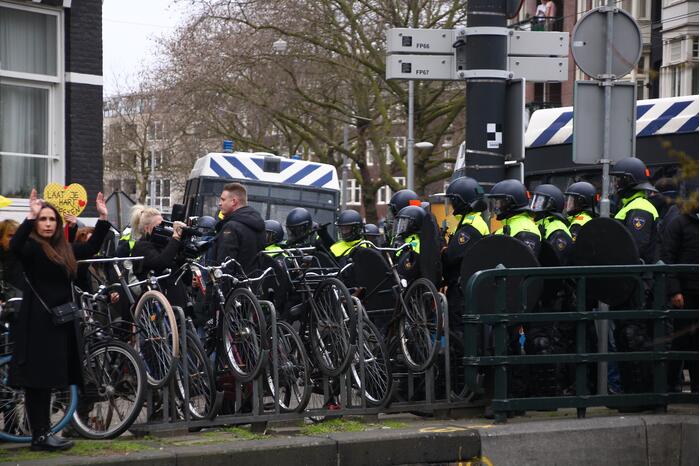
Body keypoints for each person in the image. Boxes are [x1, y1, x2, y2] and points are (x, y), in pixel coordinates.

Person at [9, 189, 110, 451]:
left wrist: (101, 219)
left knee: (50, 380)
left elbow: (90, 247)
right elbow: (15, 246)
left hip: (59, 322)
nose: (47, 223)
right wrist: (29, 217)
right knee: (36, 382)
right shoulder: (32, 248)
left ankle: (43, 432)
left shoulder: (64, 249)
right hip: (35, 322)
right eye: (43, 219)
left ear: (58, 224)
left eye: (51, 220)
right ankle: (39, 436)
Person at [661, 197, 698, 393]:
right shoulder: (679, 222)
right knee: (683, 340)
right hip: (686, 291)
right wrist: (675, 290)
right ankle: (669, 387)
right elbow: (669, 256)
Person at [442, 176, 489, 324]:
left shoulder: (470, 227)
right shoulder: (472, 221)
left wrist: (441, 249)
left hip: (463, 290)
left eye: (453, 201)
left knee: (460, 335)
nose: (451, 205)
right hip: (466, 287)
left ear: (460, 201)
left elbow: (451, 256)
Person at [611, 157, 659, 265]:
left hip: (639, 277)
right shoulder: (630, 205)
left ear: (627, 180)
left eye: (618, 180)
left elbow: (636, 246)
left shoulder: (640, 208)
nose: (615, 184)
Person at [209, 182, 266, 274]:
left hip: (235, 284)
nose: (220, 203)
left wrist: (221, 286)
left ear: (234, 202)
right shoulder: (258, 224)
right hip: (254, 284)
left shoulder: (231, 227)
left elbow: (225, 265)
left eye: (223, 200)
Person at [487, 179, 541, 255]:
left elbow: (525, 263)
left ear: (509, 203)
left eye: (498, 202)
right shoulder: (507, 225)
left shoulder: (526, 231)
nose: (496, 206)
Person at [530, 184, 573, 264]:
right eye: (534, 200)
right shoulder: (540, 223)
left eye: (539, 201)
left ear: (550, 204)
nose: (535, 205)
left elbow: (558, 262)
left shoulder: (558, 230)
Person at [392, 205, 425, 282]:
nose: (400, 226)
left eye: (404, 222)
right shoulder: (401, 239)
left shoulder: (416, 242)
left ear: (414, 225)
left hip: (407, 279)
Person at [0, 219, 21, 302]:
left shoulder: (27, 258)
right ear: (1, 239)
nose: (15, 239)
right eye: (10, 236)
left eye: (18, 235)